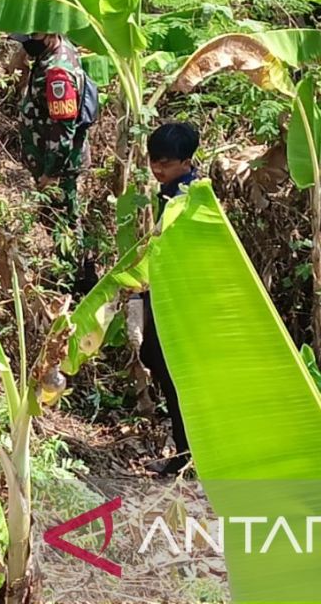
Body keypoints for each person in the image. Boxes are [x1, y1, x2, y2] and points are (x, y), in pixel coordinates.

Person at [8, 32, 96, 294]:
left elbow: (63, 128)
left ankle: (71, 284)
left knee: (65, 224)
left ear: (46, 34)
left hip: (60, 166)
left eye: (28, 40)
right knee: (59, 220)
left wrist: (51, 174)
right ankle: (69, 276)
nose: (25, 45)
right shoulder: (54, 52)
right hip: (50, 160)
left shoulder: (58, 72)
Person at [138, 120, 201, 476]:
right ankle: (184, 453)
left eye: (165, 162)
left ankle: (186, 456)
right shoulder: (175, 190)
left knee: (174, 376)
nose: (157, 168)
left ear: (186, 161)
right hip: (168, 296)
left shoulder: (189, 197)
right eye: (153, 160)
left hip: (183, 304)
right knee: (159, 363)